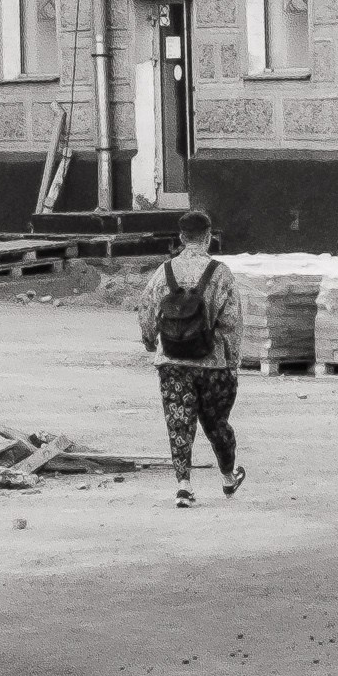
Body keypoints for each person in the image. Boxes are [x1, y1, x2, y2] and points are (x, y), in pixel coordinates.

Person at [137, 208, 247, 510]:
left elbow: (146, 311)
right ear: (208, 237)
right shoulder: (221, 273)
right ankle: (227, 476)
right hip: (214, 364)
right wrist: (232, 361)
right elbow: (232, 322)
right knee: (217, 423)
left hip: (173, 362)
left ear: (182, 237)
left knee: (178, 422)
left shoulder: (165, 271)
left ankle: (183, 487)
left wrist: (151, 343)